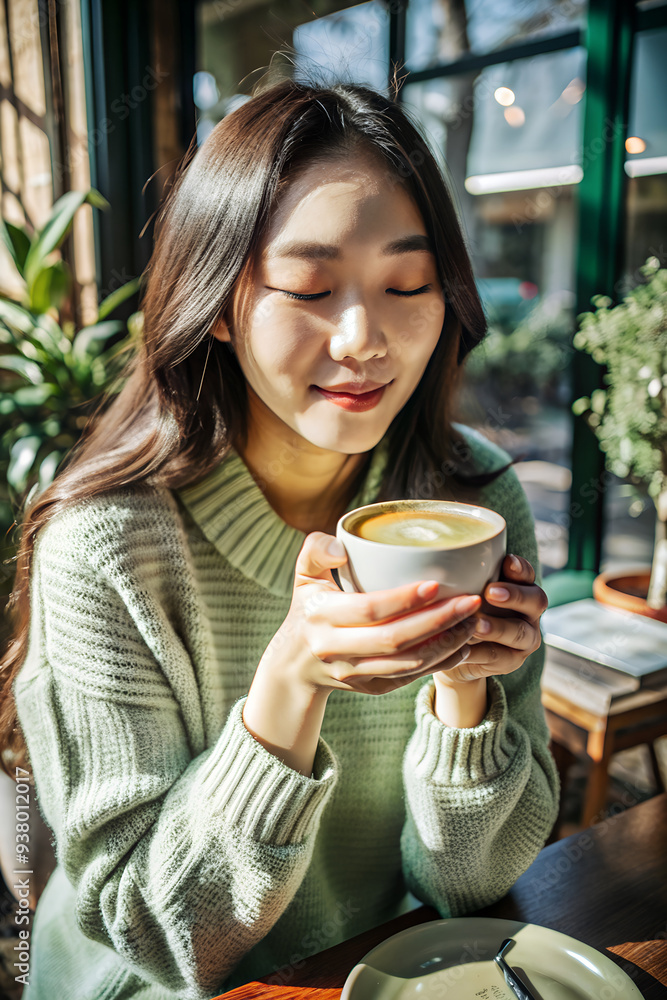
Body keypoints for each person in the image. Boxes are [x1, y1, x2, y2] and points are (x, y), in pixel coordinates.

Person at [0, 77, 559, 1000]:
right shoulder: (105, 546)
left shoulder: (475, 502)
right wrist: (291, 679)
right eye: (307, 286)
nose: (363, 337)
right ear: (217, 306)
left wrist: (466, 694)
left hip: (391, 971)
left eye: (406, 284)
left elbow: (469, 886)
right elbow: (155, 933)